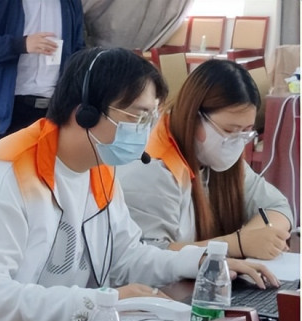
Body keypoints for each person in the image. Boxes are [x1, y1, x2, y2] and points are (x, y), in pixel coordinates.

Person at [0, 48, 277, 321]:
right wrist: (102, 302)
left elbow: (126, 255)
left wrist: (200, 263)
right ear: (85, 112)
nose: (145, 130)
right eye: (137, 116)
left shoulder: (99, 165)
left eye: (151, 117)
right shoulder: (5, 173)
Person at [118, 60, 292, 260]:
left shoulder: (216, 158)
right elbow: (148, 256)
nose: (237, 142)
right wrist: (235, 245)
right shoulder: (153, 166)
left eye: (246, 132)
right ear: (194, 118)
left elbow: (277, 207)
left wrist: (258, 237)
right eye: (229, 130)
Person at [0, 0, 85, 149]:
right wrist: (22, 44)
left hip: (56, 112)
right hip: (7, 112)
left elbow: (78, 50)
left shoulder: (70, 3)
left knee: (51, 165)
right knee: (4, 164)